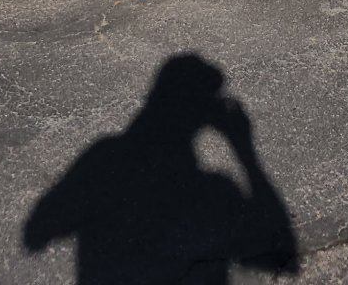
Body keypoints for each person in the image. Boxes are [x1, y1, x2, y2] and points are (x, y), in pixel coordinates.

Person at [23, 54, 299, 283]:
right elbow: (281, 257)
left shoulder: (105, 155)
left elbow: (36, 232)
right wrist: (244, 150)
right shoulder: (216, 188)